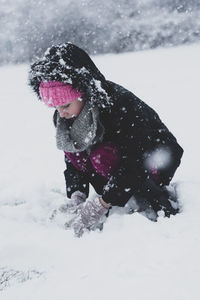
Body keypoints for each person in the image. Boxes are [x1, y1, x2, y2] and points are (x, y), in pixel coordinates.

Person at [28, 42, 183, 237]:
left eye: (65, 105)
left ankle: (150, 198)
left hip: (155, 159)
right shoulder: (67, 116)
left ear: (83, 93)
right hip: (119, 166)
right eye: (55, 108)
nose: (61, 113)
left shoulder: (120, 106)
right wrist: (77, 195)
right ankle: (116, 194)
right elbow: (72, 159)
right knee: (78, 151)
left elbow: (135, 160)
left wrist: (101, 204)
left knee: (103, 155)